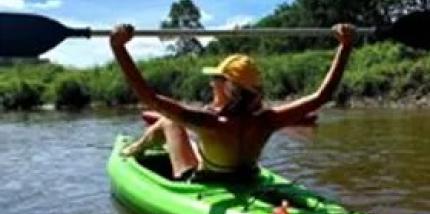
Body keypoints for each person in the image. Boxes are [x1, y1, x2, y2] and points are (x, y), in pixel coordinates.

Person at [110, 24, 354, 180]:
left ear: (228, 87)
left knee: (168, 122)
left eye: (216, 79)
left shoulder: (210, 121)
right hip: (247, 177)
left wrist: (118, 48)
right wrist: (345, 47)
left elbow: (149, 98)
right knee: (185, 131)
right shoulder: (268, 120)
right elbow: (323, 96)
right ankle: (141, 146)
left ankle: (134, 150)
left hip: (201, 182)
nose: (210, 83)